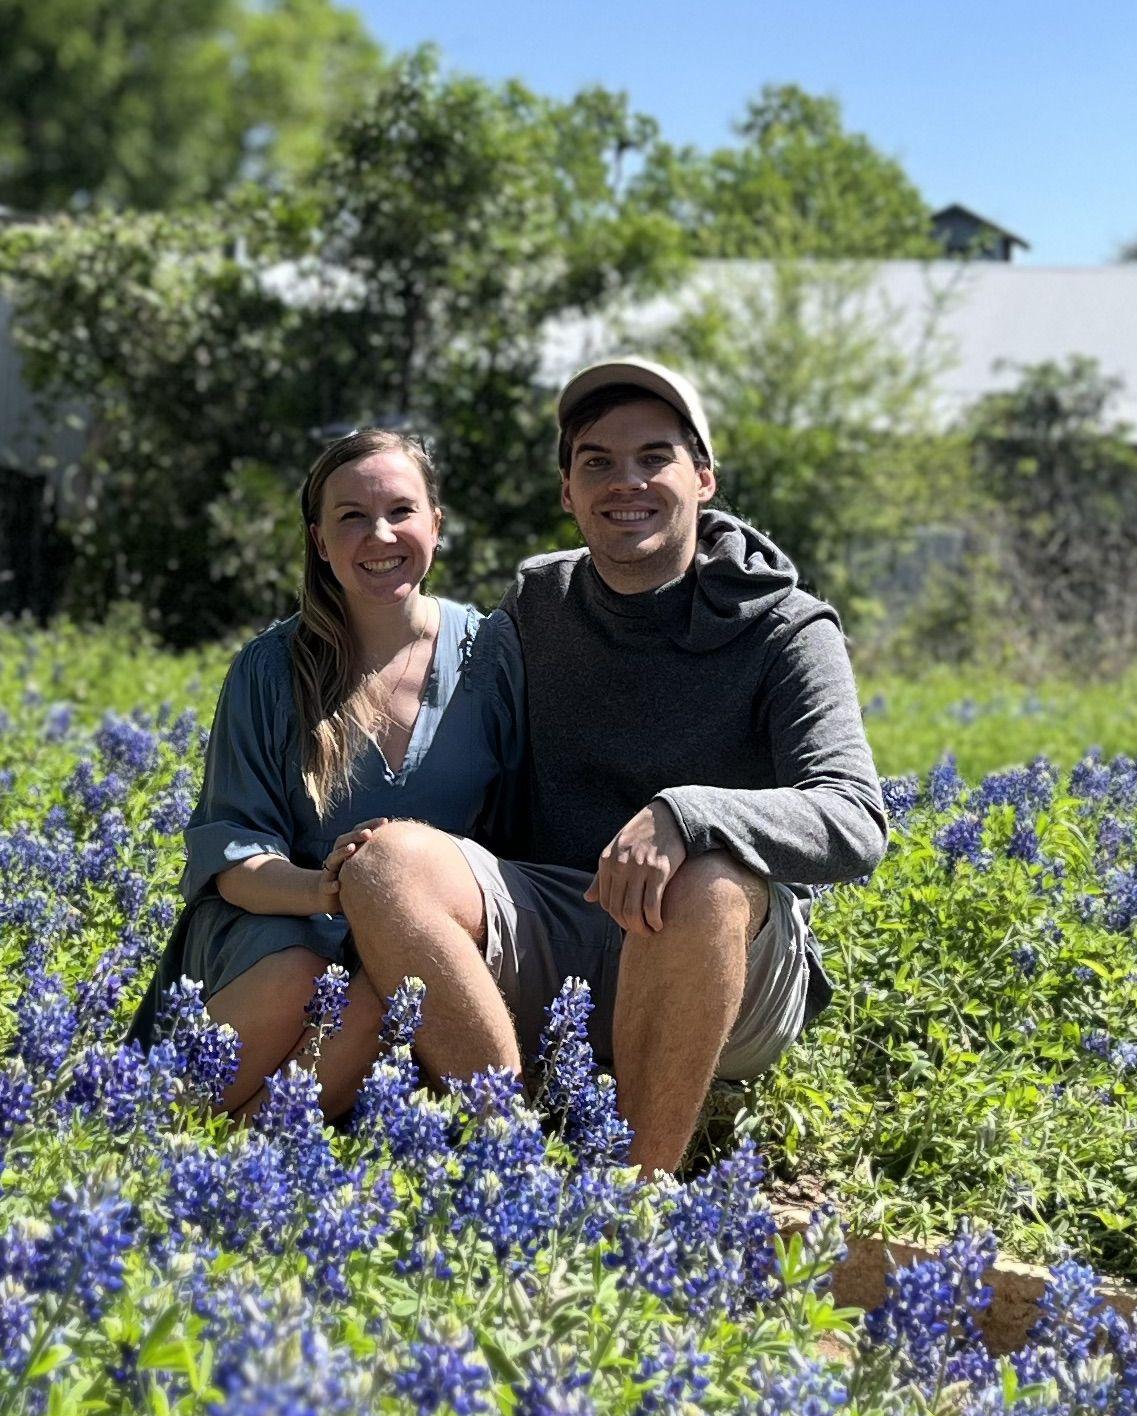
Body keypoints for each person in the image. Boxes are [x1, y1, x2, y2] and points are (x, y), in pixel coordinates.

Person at [319, 353, 883, 1175]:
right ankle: (512, 1162)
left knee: (704, 877)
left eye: (654, 457)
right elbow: (471, 761)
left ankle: (636, 1193)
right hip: (560, 924)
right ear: (568, 493)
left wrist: (687, 815)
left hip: (719, 959)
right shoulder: (538, 605)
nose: (627, 482)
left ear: (704, 478)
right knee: (386, 866)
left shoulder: (787, 628)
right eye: (598, 463)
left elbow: (856, 819)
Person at [146, 419, 518, 1112]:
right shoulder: (269, 669)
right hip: (278, 926)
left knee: (397, 982)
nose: (379, 535)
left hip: (420, 938)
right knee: (302, 971)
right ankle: (158, 1125)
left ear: (436, 525)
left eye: (401, 512)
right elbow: (233, 858)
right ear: (319, 541)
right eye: (352, 517)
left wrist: (395, 906)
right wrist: (328, 889)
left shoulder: (494, 655)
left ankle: (240, 1156)